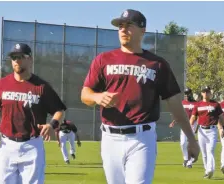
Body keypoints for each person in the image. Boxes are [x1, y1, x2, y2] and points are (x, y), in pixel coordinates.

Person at [81, 9, 200, 184]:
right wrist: (98, 97)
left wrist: (191, 139)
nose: (123, 29)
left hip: (141, 138)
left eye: (129, 25)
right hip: (110, 138)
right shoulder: (103, 60)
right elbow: (85, 94)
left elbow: (175, 105)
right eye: (120, 26)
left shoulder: (157, 64)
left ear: (143, 30)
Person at [0, 43, 67, 184]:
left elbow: (60, 110)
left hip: (32, 146)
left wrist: (52, 125)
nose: (17, 60)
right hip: (7, 145)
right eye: (14, 57)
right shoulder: (2, 84)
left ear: (30, 59)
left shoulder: (42, 86)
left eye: (21, 57)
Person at [190, 86, 224, 179]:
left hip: (212, 130)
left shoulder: (215, 104)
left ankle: (210, 169)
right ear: (202, 93)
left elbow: (221, 118)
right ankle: (207, 170)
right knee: (204, 152)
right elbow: (193, 117)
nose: (205, 94)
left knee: (210, 150)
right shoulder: (198, 104)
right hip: (201, 130)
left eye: (207, 92)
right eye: (204, 92)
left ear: (210, 93)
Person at [169, 88, 198, 168]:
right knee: (182, 143)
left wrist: (197, 126)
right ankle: (185, 158)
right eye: (185, 93)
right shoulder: (182, 103)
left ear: (191, 94)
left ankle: (189, 162)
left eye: (188, 93)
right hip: (184, 123)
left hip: (193, 124)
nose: (186, 95)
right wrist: (173, 122)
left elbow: (197, 115)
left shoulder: (195, 103)